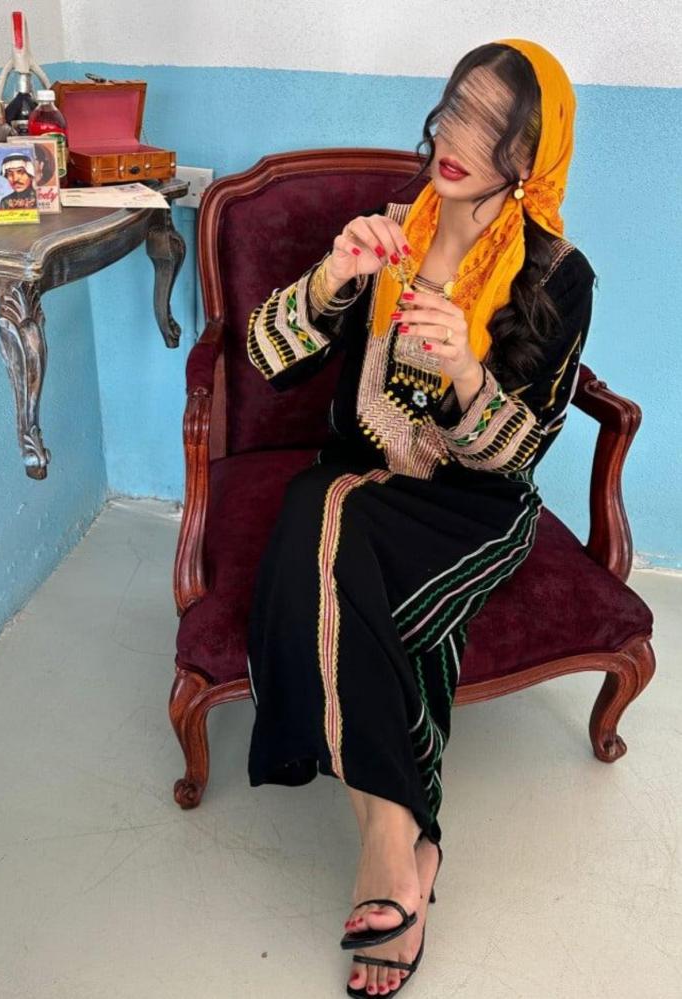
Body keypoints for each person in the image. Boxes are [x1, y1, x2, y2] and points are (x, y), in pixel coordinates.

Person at [245, 38, 596, 997]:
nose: (458, 139)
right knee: (330, 505)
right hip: (365, 482)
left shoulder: (557, 277)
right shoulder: (392, 232)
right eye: (455, 109)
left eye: (493, 127)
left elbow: (518, 454)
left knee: (320, 519)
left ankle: (386, 846)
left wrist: (466, 374)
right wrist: (331, 279)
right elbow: (267, 357)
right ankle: (401, 843)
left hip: (473, 506)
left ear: (532, 153)